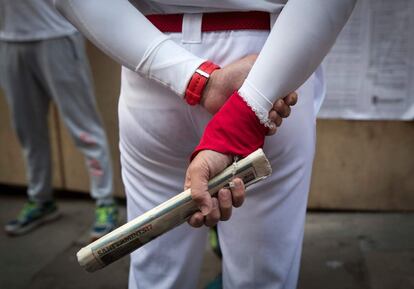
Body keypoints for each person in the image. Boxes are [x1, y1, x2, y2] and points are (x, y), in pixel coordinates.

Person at [55, 1, 356, 288]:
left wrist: (197, 80)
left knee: (156, 277)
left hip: (152, 59)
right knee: (260, 280)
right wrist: (244, 114)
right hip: (266, 64)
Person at [0, 0, 118, 239]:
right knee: (27, 130)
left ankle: (106, 203)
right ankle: (41, 199)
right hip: (9, 37)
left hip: (57, 33)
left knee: (84, 128)